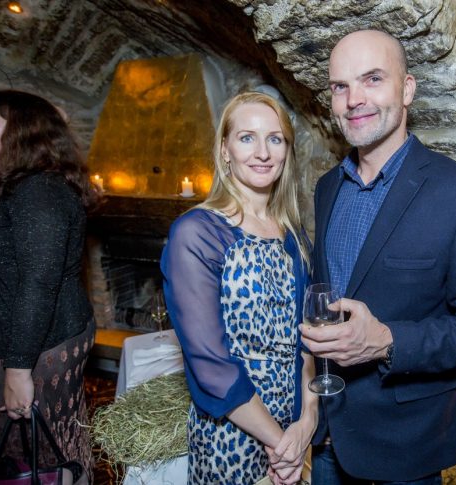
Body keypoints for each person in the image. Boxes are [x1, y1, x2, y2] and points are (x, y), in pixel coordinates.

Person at [301, 29, 456, 484]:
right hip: (328, 442)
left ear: (407, 89)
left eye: (373, 79)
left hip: (405, 448)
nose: (354, 99)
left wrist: (386, 341)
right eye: (340, 86)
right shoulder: (327, 188)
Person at [161, 92, 317, 485]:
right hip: (231, 437)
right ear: (224, 150)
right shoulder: (197, 233)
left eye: (275, 139)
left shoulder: (293, 234)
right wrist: (280, 444)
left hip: (294, 432)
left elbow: (308, 338)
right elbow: (210, 365)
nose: (263, 152)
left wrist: (307, 421)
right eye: (247, 137)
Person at [0, 90, 98, 483]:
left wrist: (19, 370)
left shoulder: (40, 191)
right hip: (30, 337)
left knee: (46, 453)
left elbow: (39, 283)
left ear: (21, 130)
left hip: (41, 345)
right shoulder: (16, 183)